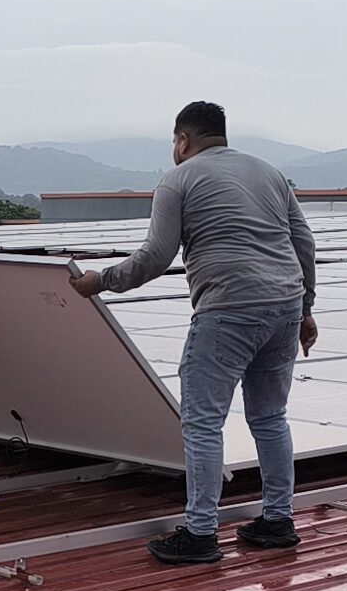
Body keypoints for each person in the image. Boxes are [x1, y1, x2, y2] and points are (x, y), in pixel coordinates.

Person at [70, 101, 317, 565]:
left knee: (203, 421)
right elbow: (302, 241)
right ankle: (278, 521)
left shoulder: (178, 180)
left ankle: (201, 533)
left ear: (182, 140)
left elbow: (154, 257)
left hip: (228, 309)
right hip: (284, 305)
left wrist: (99, 281)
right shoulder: (269, 173)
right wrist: (305, 309)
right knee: (269, 417)